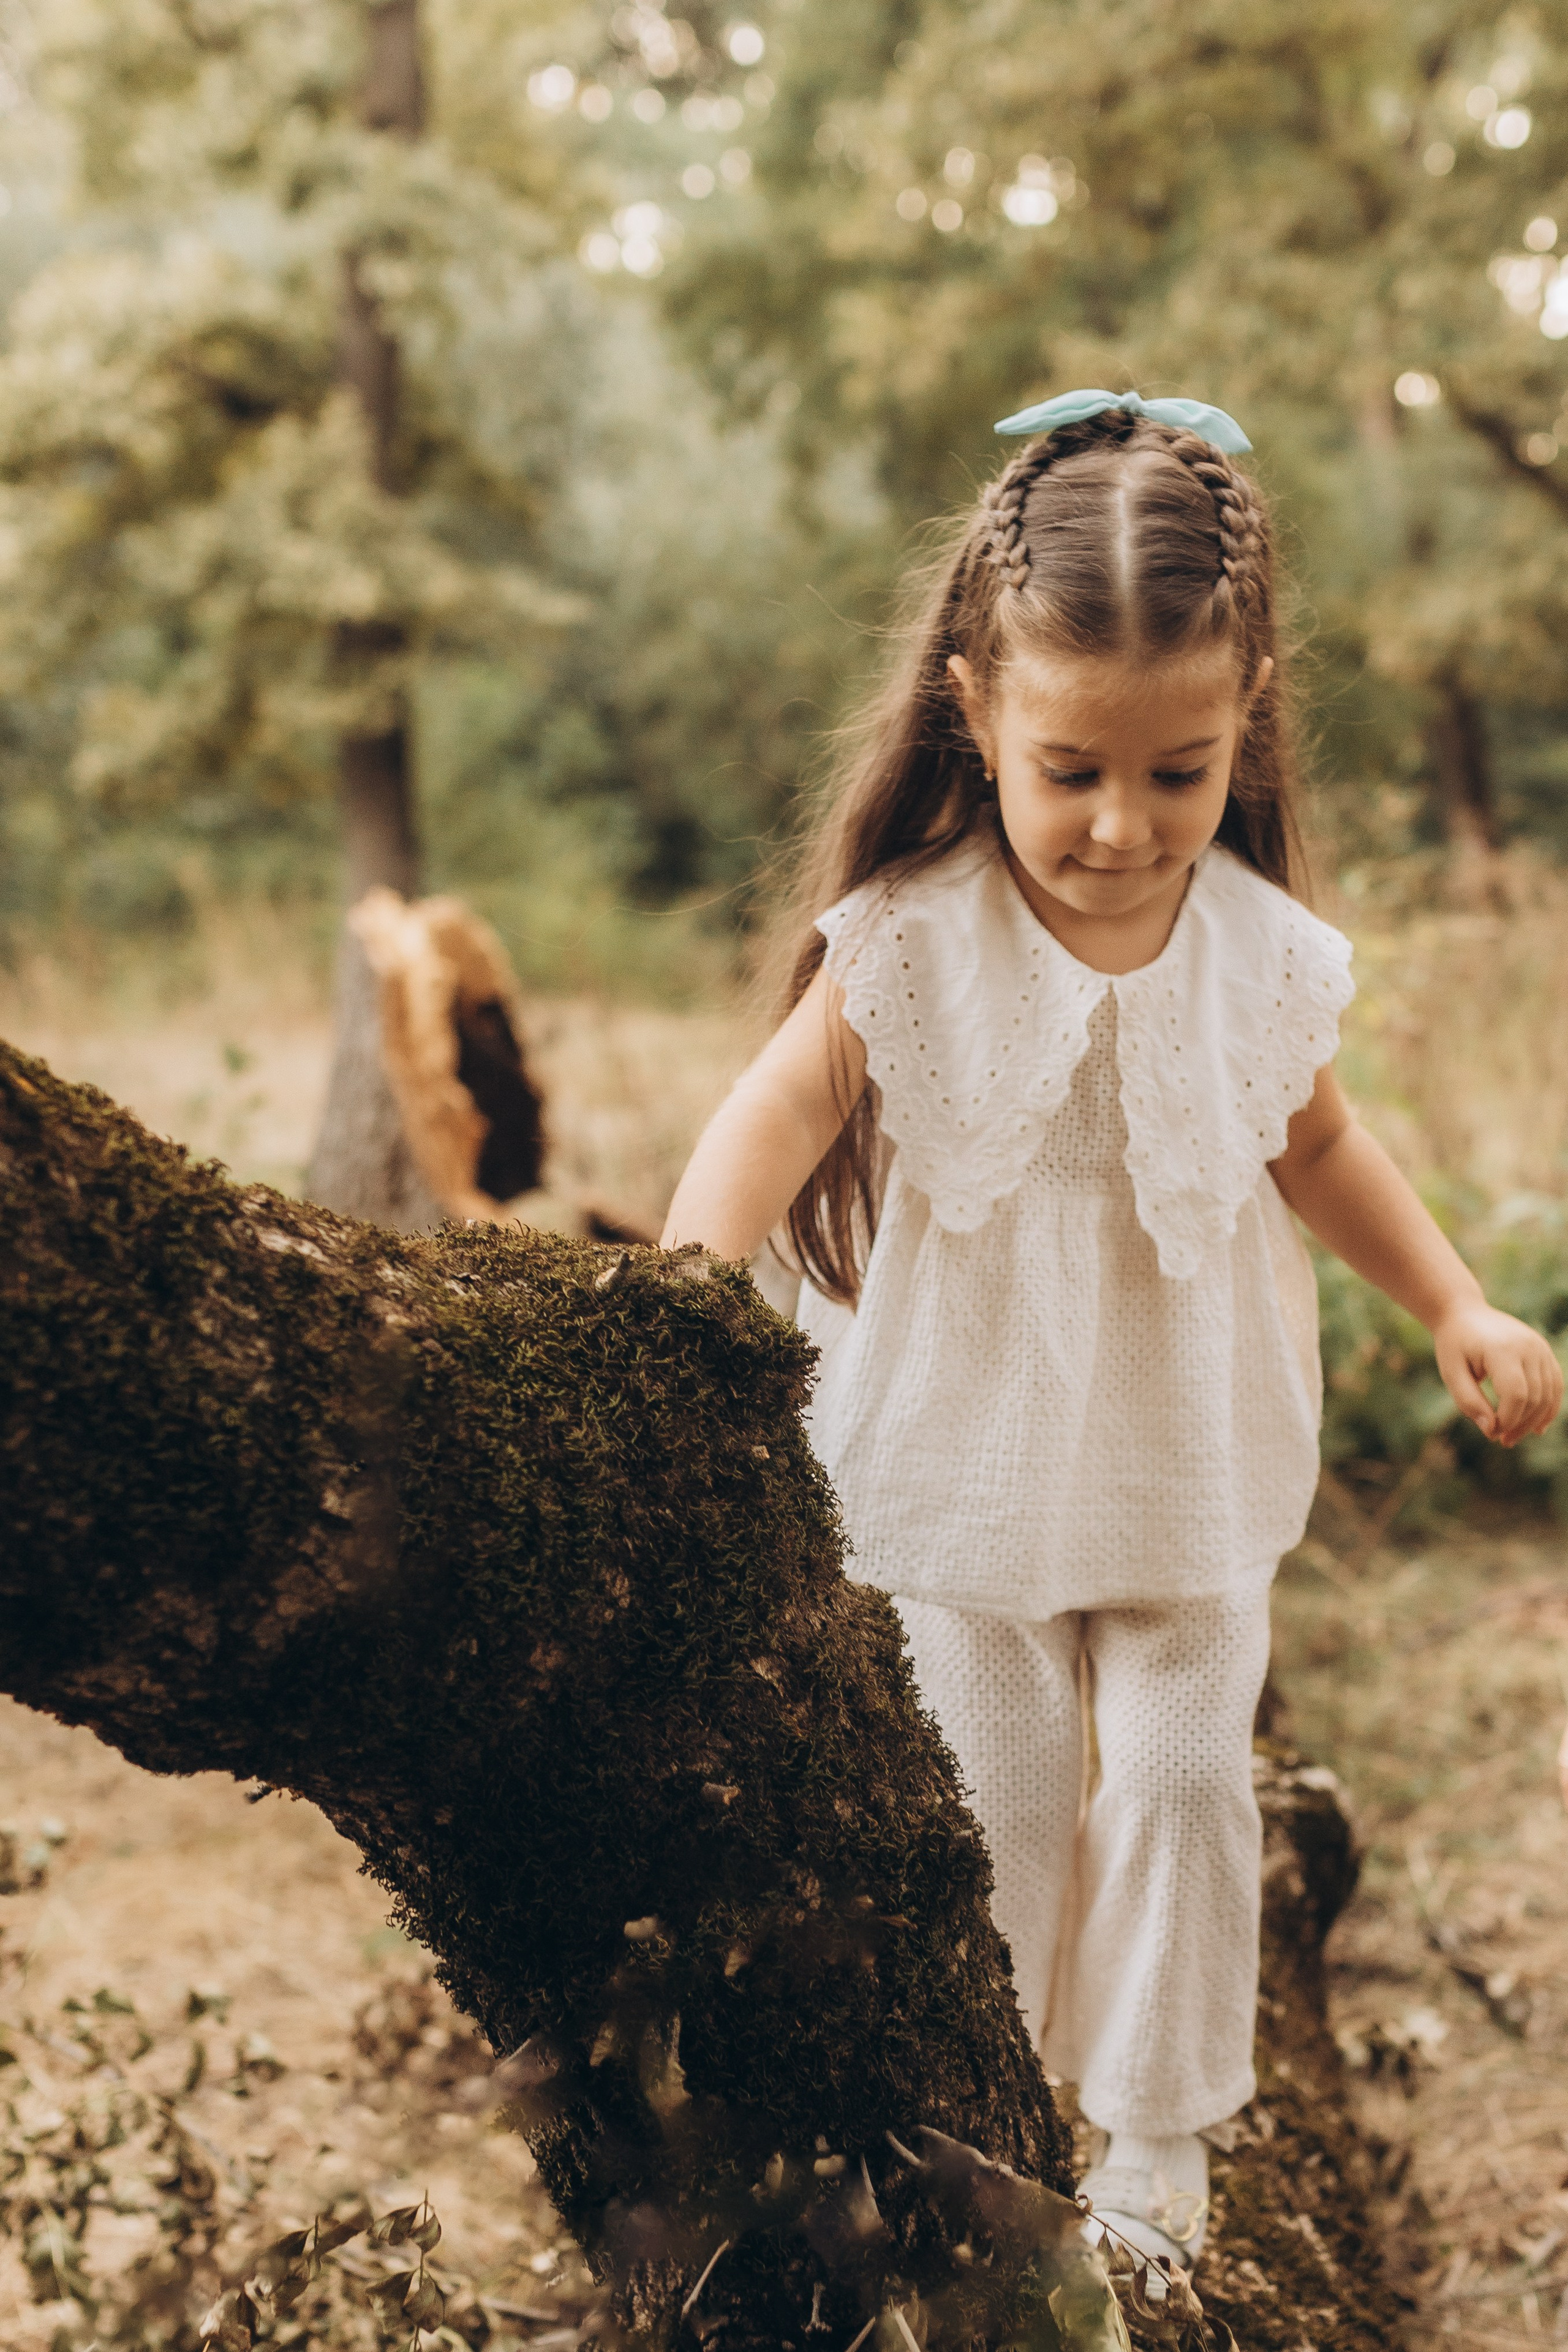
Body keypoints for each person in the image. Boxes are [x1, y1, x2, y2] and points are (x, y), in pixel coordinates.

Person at [660, 388, 1562, 2275]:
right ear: (975, 709)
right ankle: (981, 2118)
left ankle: (1155, 2136)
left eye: (1181, 771)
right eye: (1070, 768)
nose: (1122, 824)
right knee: (981, 1801)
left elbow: (1323, 1147)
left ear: (1247, 724)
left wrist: (1455, 1299)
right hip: (962, 1458)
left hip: (1187, 1451)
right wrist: (684, 1278)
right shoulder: (913, 936)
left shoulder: (1259, 950)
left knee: (1179, 1782)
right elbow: (783, 1106)